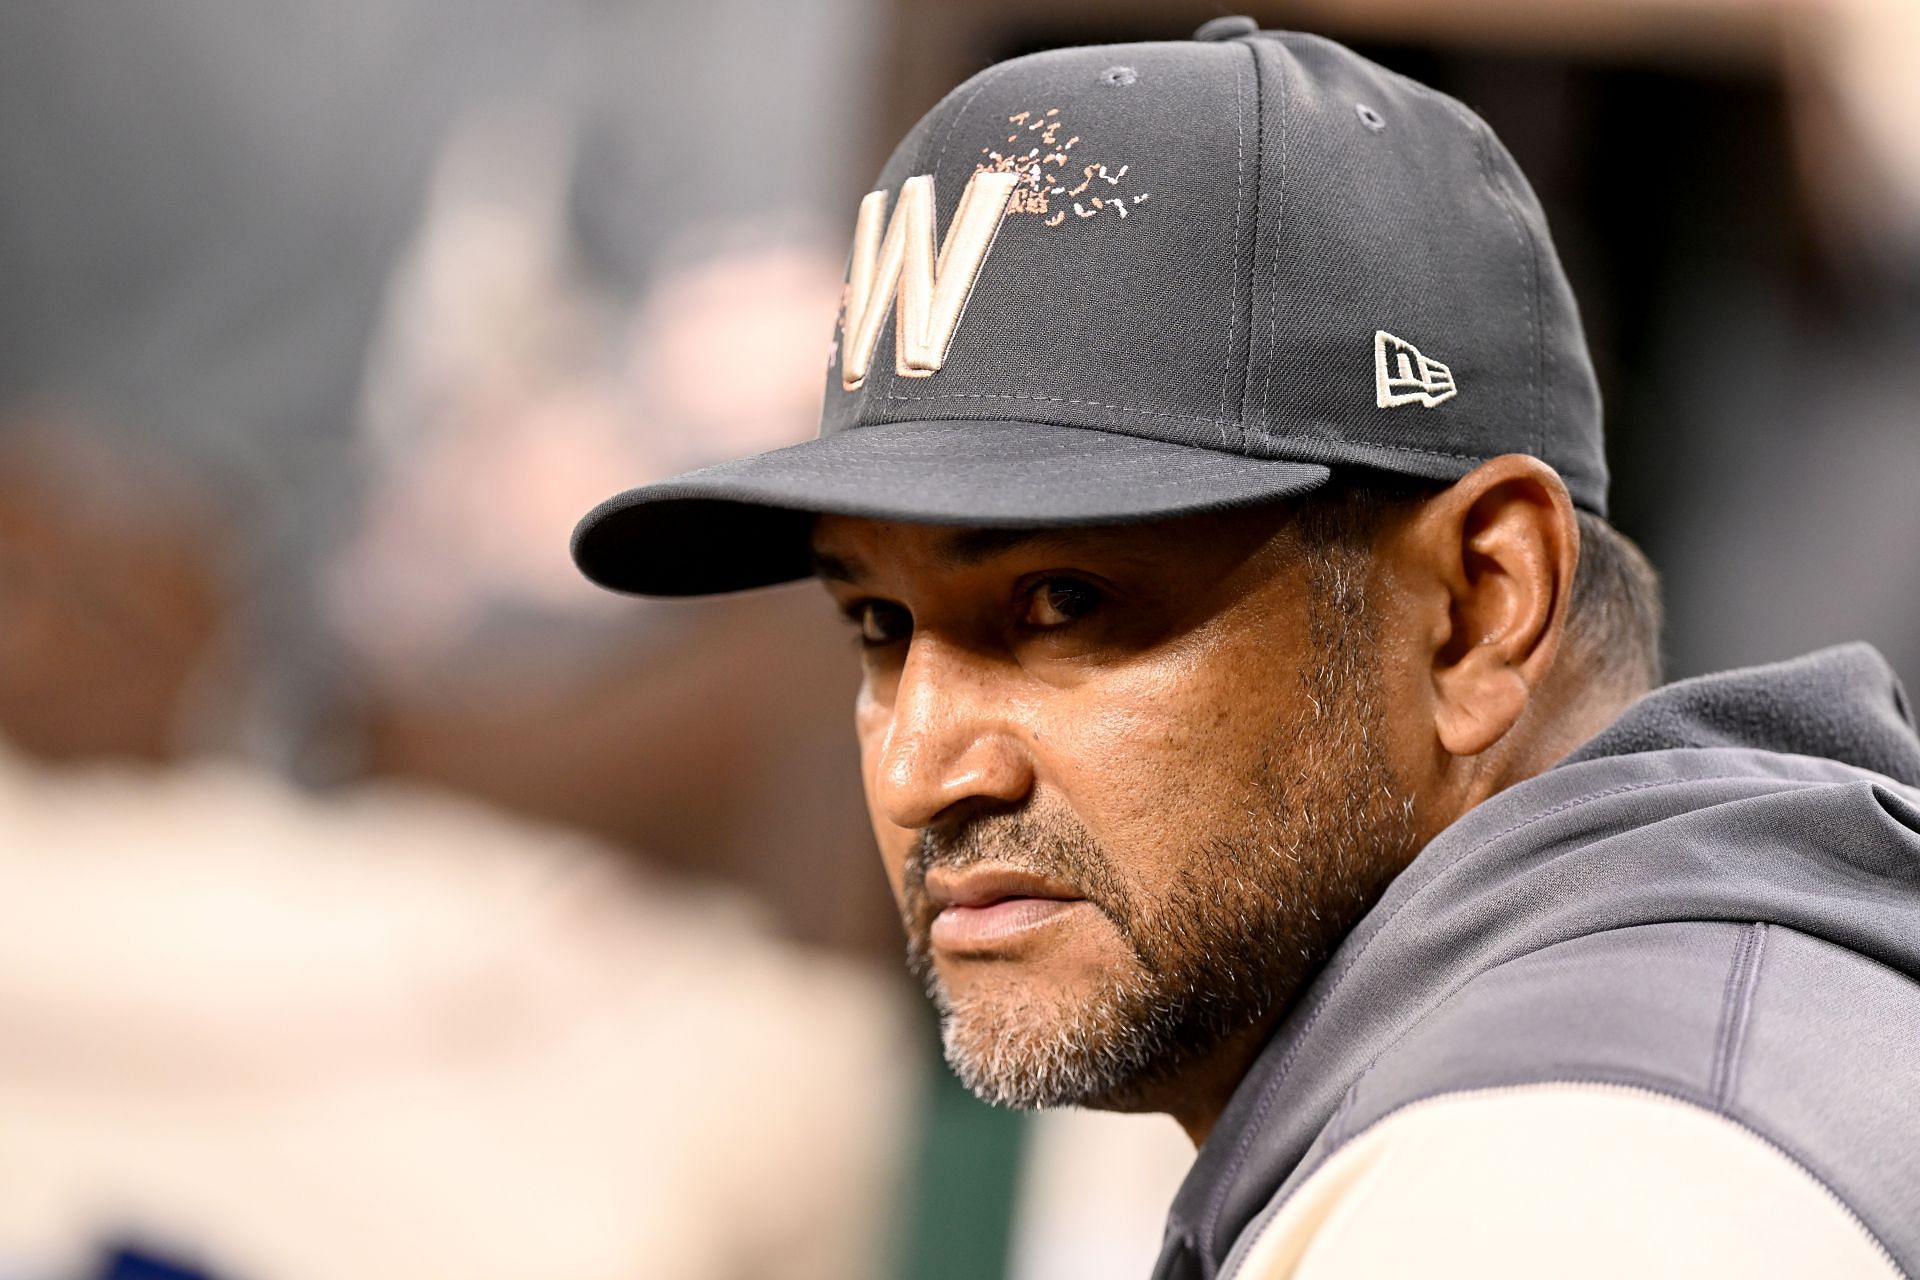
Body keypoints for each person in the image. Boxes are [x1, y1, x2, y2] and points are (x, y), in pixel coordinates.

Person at [572, 19, 1920, 1276]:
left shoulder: (1556, 1189)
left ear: (1477, 606)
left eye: (1061, 603)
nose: (926, 767)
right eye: (879, 624)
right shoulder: (1681, 1040)